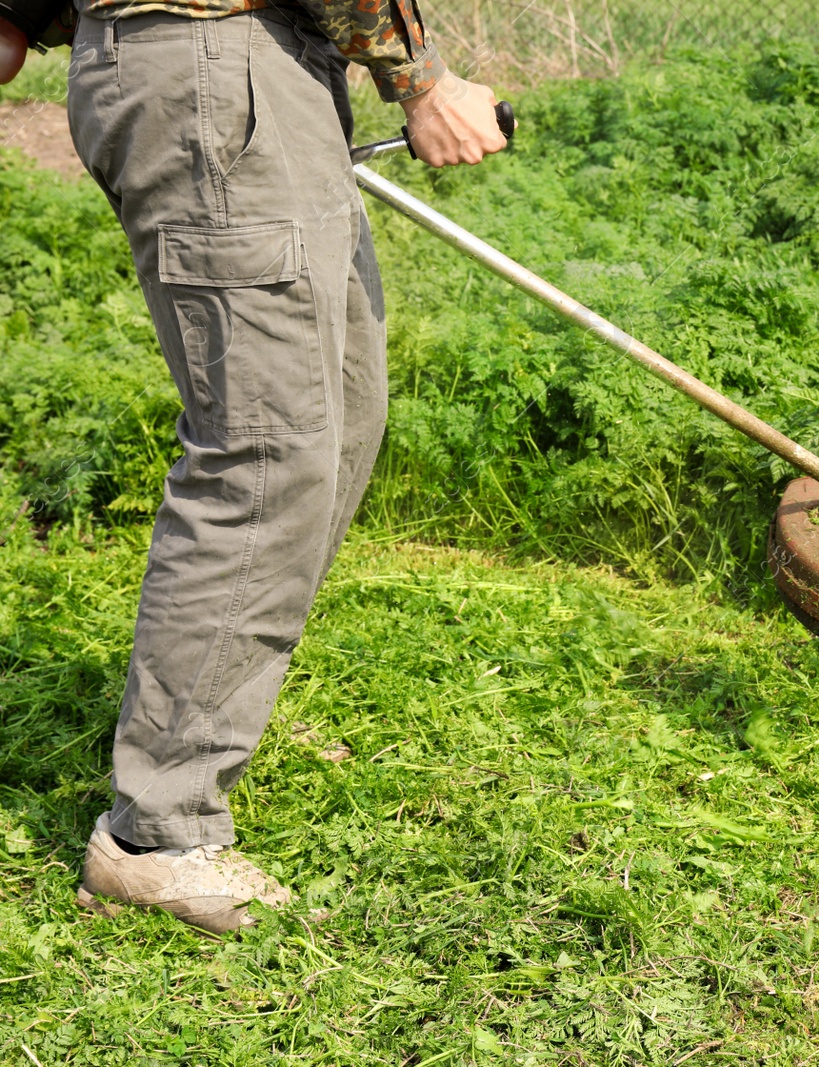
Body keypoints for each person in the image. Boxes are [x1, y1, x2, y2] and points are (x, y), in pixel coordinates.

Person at [0, 0, 507, 933]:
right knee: (266, 455)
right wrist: (420, 76)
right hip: (210, 69)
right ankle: (159, 830)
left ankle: (214, 716)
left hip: (238, 69)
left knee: (337, 420)